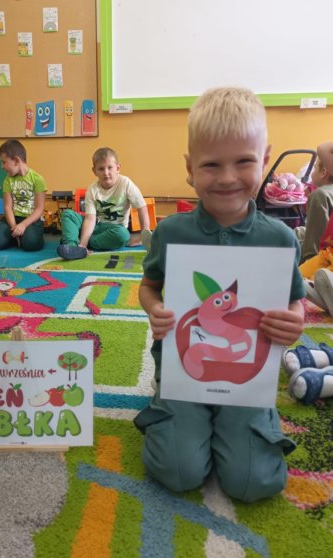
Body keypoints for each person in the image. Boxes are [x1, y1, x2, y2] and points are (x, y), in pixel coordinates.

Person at [134, 87, 305, 502]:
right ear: (190, 168)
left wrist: (295, 320)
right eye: (211, 164)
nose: (227, 178)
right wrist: (155, 309)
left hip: (247, 380)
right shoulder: (171, 232)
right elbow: (149, 286)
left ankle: (251, 422)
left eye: (243, 161)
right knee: (178, 471)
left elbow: (294, 300)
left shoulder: (280, 238)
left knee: (254, 482)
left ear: (265, 160)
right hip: (184, 374)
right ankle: (173, 412)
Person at [57, 147, 151, 260]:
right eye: (101, 169)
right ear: (94, 171)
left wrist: (145, 235)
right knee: (68, 214)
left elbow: (141, 207)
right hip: (95, 226)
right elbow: (90, 219)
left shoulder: (126, 183)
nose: (106, 173)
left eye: (110, 167)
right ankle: (72, 247)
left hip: (115, 229)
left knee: (123, 235)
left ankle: (77, 239)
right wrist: (83, 245)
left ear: (118, 168)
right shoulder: (92, 189)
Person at [0, 139, 46, 251]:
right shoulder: (8, 180)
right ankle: (16, 237)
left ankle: (22, 237)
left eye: (4, 162)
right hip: (12, 219)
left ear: (16, 160)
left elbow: (39, 209)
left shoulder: (38, 179)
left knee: (31, 243)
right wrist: (14, 227)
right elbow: (7, 207)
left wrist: (23, 225)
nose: (2, 166)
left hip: (31, 220)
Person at [297, 141, 333, 263]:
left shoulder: (320, 195)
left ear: (324, 172)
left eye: (315, 167)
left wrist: (308, 263)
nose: (312, 171)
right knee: (297, 232)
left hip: (321, 258)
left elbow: (313, 247)